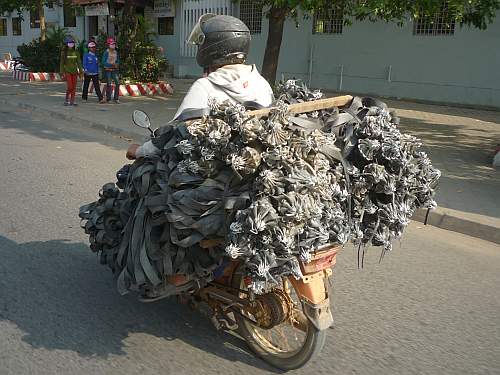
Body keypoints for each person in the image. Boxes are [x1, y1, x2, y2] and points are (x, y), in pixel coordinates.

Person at [127, 13, 274, 160]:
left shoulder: (205, 86)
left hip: (209, 170)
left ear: (211, 47)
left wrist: (140, 151)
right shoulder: (262, 83)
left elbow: (172, 133)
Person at [60, 37, 83, 106]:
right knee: (70, 87)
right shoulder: (64, 52)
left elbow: (79, 62)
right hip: (67, 71)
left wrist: (81, 71)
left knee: (74, 87)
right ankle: (67, 99)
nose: (71, 44)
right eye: (70, 43)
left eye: (72, 43)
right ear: (67, 44)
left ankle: (72, 101)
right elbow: (61, 63)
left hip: (75, 71)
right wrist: (61, 72)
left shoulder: (76, 52)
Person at [102, 37, 121, 104]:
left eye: (114, 44)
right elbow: (103, 62)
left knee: (117, 83)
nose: (113, 45)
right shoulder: (106, 52)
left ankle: (116, 98)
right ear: (108, 45)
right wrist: (111, 65)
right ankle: (108, 98)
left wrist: (117, 63)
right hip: (108, 70)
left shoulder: (116, 52)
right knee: (109, 84)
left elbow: (118, 60)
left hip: (115, 70)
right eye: (111, 44)